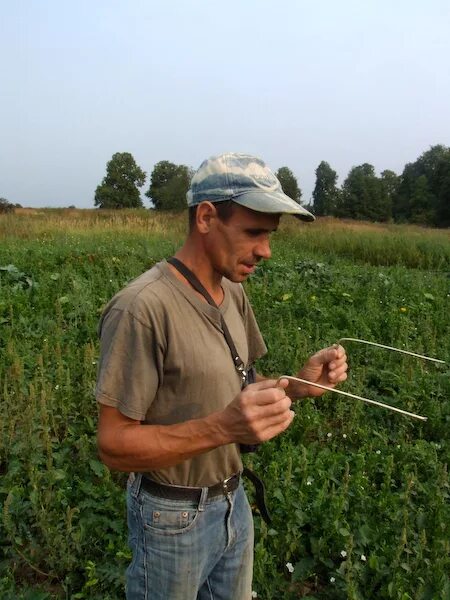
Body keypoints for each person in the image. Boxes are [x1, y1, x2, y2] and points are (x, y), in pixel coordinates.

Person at [96, 152, 348, 600]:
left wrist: (298, 386)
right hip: (171, 518)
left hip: (234, 502)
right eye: (254, 232)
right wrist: (221, 428)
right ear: (207, 218)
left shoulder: (232, 291)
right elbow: (113, 444)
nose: (266, 251)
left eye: (270, 236)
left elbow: (239, 386)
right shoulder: (142, 307)